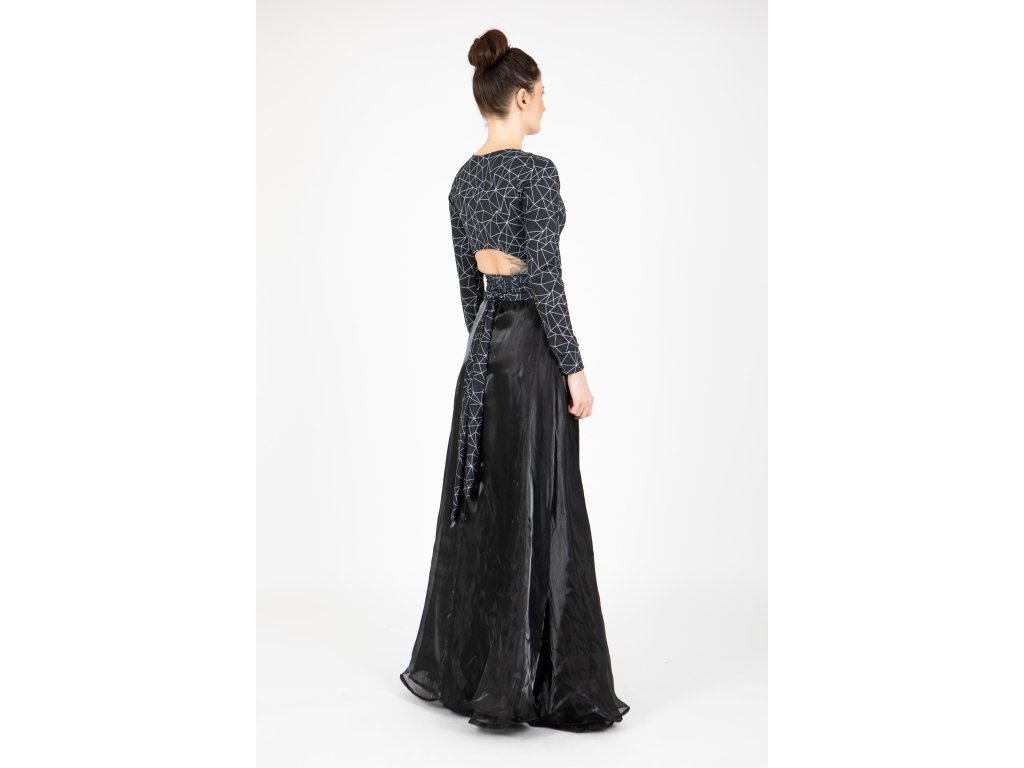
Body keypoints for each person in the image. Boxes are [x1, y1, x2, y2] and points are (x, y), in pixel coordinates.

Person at [399, 28, 630, 732]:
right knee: (540, 503)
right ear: (521, 98)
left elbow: (468, 290)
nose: (547, 107)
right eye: (543, 95)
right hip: (531, 352)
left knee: (491, 504)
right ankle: (536, 680)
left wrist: (486, 346)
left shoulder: (462, 181)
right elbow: (547, 282)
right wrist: (574, 368)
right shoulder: (536, 173)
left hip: (483, 356)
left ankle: (478, 671)